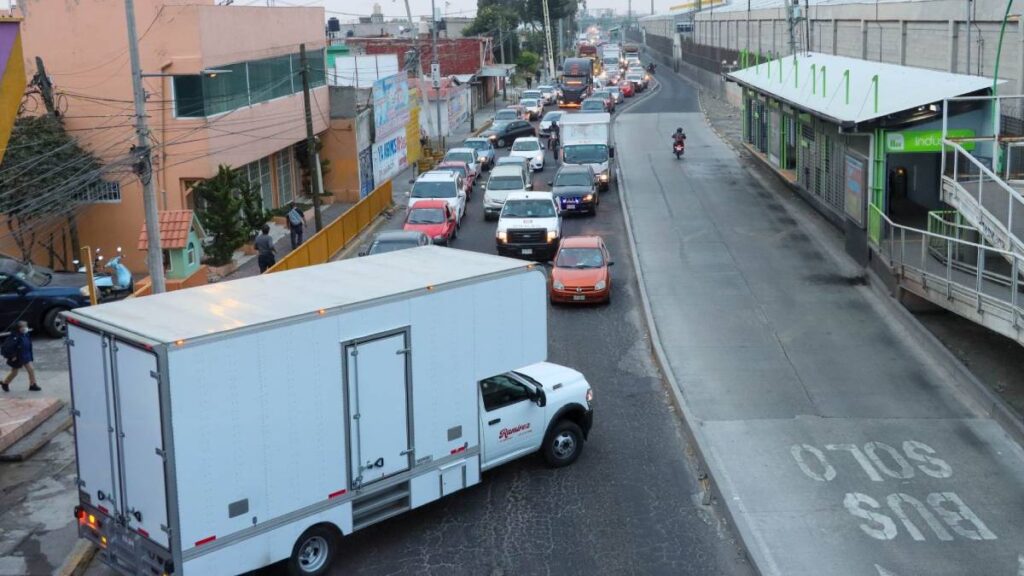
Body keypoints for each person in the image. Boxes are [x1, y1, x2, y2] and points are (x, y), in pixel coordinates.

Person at [1, 321, 40, 392]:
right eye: (24, 326)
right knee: (14, 372)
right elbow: (8, 348)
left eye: (26, 326)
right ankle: (5, 383)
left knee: (31, 370)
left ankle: (33, 384)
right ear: (19, 328)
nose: (26, 328)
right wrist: (12, 356)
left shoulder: (25, 335)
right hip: (18, 357)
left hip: (25, 356)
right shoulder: (14, 337)